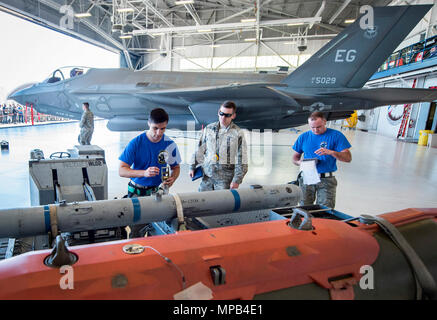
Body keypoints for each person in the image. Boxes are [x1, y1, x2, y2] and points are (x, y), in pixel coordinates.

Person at [119, 108, 181, 238]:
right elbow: (122, 170)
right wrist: (144, 173)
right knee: (137, 231)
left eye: (163, 129)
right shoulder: (136, 143)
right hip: (138, 193)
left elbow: (176, 167)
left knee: (159, 231)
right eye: (155, 128)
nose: (159, 133)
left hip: (159, 193)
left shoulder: (169, 144)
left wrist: (172, 179)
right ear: (148, 123)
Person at [292, 111, 351, 209]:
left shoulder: (336, 135)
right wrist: (299, 163)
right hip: (307, 177)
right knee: (303, 209)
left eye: (318, 127)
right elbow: (295, 158)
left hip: (326, 180)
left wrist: (331, 152)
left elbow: (348, 158)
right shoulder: (304, 137)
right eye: (312, 127)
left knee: (325, 210)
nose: (315, 130)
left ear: (324, 122)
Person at [190, 100, 248, 191]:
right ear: (218, 112)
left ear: (233, 116)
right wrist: (192, 166)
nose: (223, 117)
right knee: (202, 202)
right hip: (207, 176)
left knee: (221, 204)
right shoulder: (209, 129)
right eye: (221, 113)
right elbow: (200, 149)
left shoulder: (238, 133)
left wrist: (237, 180)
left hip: (224, 180)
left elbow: (242, 159)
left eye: (227, 115)